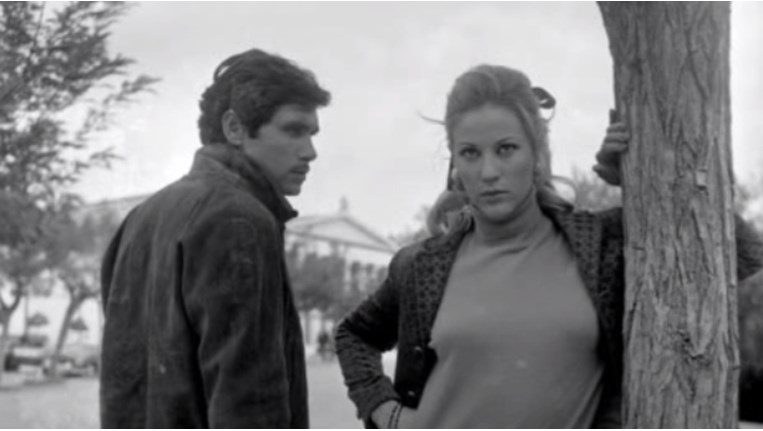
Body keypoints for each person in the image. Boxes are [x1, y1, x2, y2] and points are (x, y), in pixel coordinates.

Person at [334, 64, 763, 428]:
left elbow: (743, 251)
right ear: (455, 163)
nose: (488, 171)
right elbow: (354, 335)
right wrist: (386, 411)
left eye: (506, 149)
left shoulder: (599, 245)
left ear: (536, 153)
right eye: (470, 153)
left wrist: (637, 181)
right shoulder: (420, 266)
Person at [100, 48, 330, 428]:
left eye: (312, 134)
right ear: (234, 127)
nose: (310, 151)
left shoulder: (140, 218)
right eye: (293, 130)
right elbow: (250, 404)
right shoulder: (239, 219)